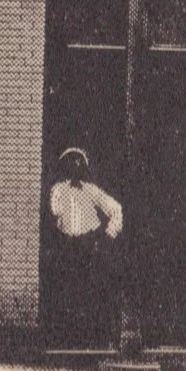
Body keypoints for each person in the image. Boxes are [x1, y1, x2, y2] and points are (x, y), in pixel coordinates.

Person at [45, 147, 123, 349]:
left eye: (79, 161)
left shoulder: (91, 190)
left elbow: (116, 209)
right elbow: (55, 211)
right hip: (66, 246)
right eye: (71, 161)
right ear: (65, 165)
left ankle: (91, 339)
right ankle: (66, 339)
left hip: (87, 246)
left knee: (89, 292)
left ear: (84, 166)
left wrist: (108, 235)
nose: (75, 165)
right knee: (66, 292)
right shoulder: (58, 190)